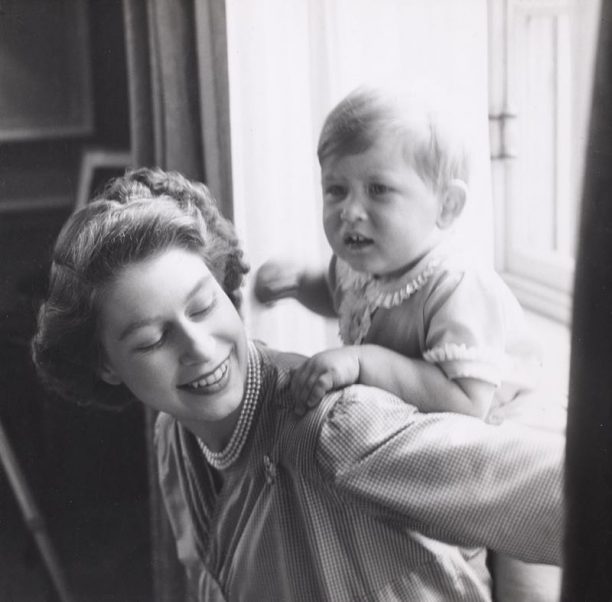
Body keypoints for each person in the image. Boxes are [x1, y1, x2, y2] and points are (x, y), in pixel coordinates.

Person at [32, 167, 563, 601]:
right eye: (151, 339)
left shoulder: (336, 429)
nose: (199, 346)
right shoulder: (174, 440)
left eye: (204, 305)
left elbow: (549, 488)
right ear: (106, 365)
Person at [254, 87, 565, 600]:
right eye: (336, 190)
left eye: (378, 190)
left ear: (447, 206)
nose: (351, 211)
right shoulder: (363, 264)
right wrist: (298, 282)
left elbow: (464, 403)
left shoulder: (457, 284)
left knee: (524, 572)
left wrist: (362, 361)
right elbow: (338, 295)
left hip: (509, 432)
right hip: (440, 435)